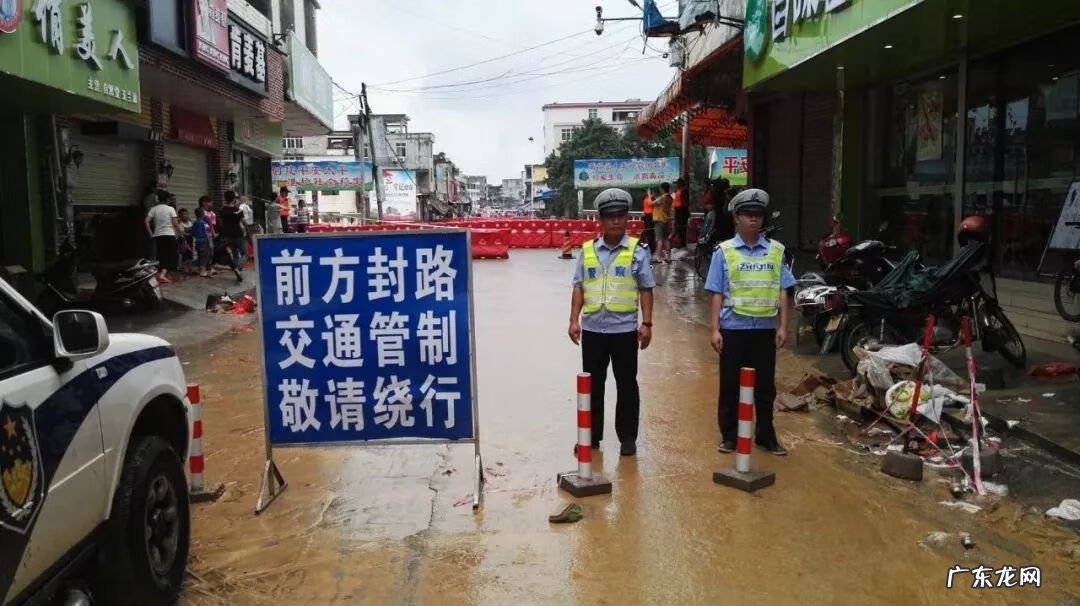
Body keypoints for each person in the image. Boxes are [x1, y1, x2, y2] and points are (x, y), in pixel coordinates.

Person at [705, 188, 795, 457]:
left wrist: (783, 326)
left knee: (766, 388)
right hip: (733, 329)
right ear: (736, 218)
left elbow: (783, 290)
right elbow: (717, 292)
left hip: (765, 331)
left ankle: (766, 436)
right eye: (748, 214)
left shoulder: (776, 252)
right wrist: (714, 329)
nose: (754, 219)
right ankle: (729, 436)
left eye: (758, 215)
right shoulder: (723, 252)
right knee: (730, 386)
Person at [568, 188, 655, 457]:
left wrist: (647, 324)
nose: (616, 221)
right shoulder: (587, 251)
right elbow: (579, 286)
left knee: (627, 385)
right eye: (610, 216)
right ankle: (591, 437)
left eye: (620, 216)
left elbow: (646, 289)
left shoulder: (638, 252)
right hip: (593, 331)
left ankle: (627, 439)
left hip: (624, 332)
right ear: (601, 220)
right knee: (592, 386)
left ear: (627, 218)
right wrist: (573, 320)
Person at [145, 192, 181, 283]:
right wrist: (180, 232)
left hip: (158, 235)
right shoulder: (170, 209)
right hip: (169, 234)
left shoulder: (154, 209)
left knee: (161, 255)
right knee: (170, 255)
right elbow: (175, 223)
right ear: (167, 199)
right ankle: (162, 275)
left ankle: (163, 275)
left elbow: (146, 221)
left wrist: (150, 233)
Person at [218, 192, 246, 282]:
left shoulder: (222, 210)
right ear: (234, 199)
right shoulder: (238, 210)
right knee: (244, 254)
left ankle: (237, 272)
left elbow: (221, 223)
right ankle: (238, 269)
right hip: (238, 234)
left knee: (235, 254)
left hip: (228, 236)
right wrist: (245, 230)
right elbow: (242, 222)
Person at [652, 182, 674, 263]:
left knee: (659, 239)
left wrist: (652, 197)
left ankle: (658, 257)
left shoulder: (662, 197)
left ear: (662, 189)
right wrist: (655, 197)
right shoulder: (670, 198)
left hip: (659, 220)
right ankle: (668, 257)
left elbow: (653, 203)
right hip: (666, 220)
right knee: (666, 239)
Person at [192, 208, 213, 278]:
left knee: (200, 255)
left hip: (197, 241)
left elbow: (193, 233)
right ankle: (203, 271)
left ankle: (199, 269)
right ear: (203, 214)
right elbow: (207, 233)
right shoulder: (204, 223)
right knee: (204, 256)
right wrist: (210, 242)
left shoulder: (195, 223)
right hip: (204, 241)